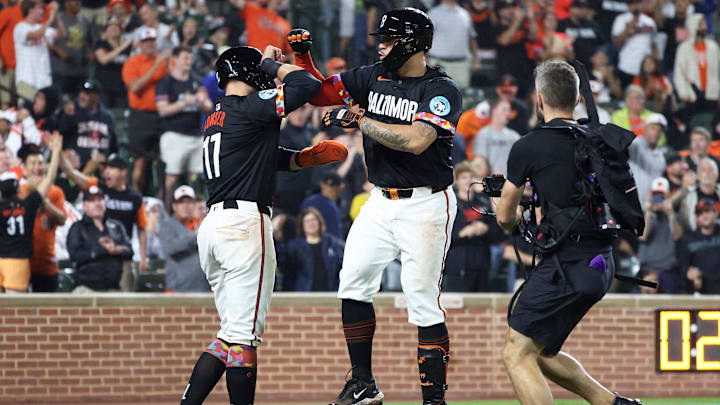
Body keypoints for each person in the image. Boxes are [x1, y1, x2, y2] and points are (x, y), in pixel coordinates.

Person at [290, 8, 462, 404]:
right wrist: (301, 61)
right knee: (351, 282)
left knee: (422, 299)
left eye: (388, 39)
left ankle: (434, 400)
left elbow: (419, 139)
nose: (380, 45)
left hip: (426, 204)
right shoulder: (372, 75)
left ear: (412, 43)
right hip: (380, 199)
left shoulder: (440, 89)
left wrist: (359, 119)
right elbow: (319, 93)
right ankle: (363, 383)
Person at [181, 45, 346, 405]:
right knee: (243, 337)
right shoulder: (250, 107)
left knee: (229, 334)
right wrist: (273, 64)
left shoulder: (218, 115)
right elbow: (305, 86)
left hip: (214, 227)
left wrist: (301, 159)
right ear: (249, 72)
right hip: (244, 225)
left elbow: (261, 158)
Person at [495, 60, 641, 405]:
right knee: (540, 353)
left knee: (516, 353)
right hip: (602, 263)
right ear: (578, 101)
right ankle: (614, 403)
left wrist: (516, 216)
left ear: (539, 99)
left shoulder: (528, 146)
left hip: (568, 265)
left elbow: (504, 218)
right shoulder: (599, 139)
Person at [58, 154, 149, 289]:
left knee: (126, 300)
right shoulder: (100, 187)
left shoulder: (135, 197)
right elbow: (72, 174)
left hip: (121, 255)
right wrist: (58, 153)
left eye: (111, 168)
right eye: (105, 168)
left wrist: (143, 257)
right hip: (94, 255)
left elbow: (142, 227)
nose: (106, 171)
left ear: (123, 171)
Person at [0, 132, 61, 293]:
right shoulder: (27, 204)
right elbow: (49, 180)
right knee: (15, 311)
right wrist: (55, 153)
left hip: (1, 258)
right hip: (18, 262)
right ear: (18, 188)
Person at [155, 46, 212, 208]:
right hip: (173, 135)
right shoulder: (165, 82)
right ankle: (164, 214)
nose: (189, 61)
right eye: (185, 58)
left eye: (190, 58)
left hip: (195, 136)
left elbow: (208, 106)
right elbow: (163, 110)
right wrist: (183, 103)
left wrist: (201, 100)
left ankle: (194, 217)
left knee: (196, 180)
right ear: (175, 60)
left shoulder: (196, 81)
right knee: (170, 180)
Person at [121, 27, 169, 193]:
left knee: (165, 162)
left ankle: (161, 203)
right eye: (146, 41)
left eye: (152, 40)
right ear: (140, 44)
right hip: (140, 117)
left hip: (162, 116)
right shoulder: (132, 63)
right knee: (139, 161)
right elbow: (135, 86)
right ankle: (136, 197)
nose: (150, 44)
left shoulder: (164, 62)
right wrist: (156, 65)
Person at [18, 144, 67, 292]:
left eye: (40, 163)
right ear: (24, 169)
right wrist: (30, 194)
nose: (37, 167)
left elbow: (62, 219)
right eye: (32, 163)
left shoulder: (56, 192)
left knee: (48, 311)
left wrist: (41, 199)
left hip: (47, 264)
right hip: (21, 263)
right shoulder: (17, 192)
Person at [66, 185, 132, 292]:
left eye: (100, 199)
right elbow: (75, 256)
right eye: (92, 201)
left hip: (114, 287)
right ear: (85, 206)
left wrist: (116, 250)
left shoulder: (116, 226)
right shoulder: (77, 228)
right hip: (86, 288)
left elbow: (130, 250)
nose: (97, 204)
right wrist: (101, 250)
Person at [157, 185, 209, 293]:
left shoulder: (203, 225)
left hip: (203, 288)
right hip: (177, 289)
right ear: (174, 206)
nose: (185, 206)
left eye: (189, 202)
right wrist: (194, 235)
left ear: (194, 205)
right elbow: (170, 248)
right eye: (181, 202)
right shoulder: (167, 225)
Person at [58, 80, 118, 174]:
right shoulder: (72, 111)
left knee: (99, 159)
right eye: (81, 92)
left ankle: (83, 182)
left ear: (97, 96)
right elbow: (61, 134)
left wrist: (104, 156)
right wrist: (67, 117)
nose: (82, 96)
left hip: (97, 165)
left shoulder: (107, 117)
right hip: (75, 161)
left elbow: (112, 146)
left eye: (87, 93)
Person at [13, 0, 65, 103]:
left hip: (43, 80)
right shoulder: (20, 27)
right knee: (26, 111)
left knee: (42, 115)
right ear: (30, 9)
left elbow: (62, 34)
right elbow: (35, 35)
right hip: (26, 80)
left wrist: (56, 16)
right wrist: (50, 18)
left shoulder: (42, 28)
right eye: (40, 8)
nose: (42, 11)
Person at [282, 207, 345, 292]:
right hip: (304, 296)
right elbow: (289, 275)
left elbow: (340, 269)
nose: (311, 223)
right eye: (307, 221)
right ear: (302, 225)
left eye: (313, 220)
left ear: (319, 222)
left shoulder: (333, 243)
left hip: (330, 295)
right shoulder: (294, 246)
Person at [638, 177, 683, 292]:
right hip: (647, 271)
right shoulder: (643, 215)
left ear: (667, 197)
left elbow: (677, 236)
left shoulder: (674, 216)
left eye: (661, 196)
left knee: (669, 307)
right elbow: (642, 236)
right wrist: (648, 211)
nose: (658, 199)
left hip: (667, 271)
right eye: (655, 195)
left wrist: (670, 214)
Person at [426, 0, 480, 89]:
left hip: (462, 65)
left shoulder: (465, 14)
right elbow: (425, 38)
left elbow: (471, 38)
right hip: (438, 64)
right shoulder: (434, 13)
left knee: (462, 97)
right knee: (437, 95)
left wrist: (476, 59)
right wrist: (425, 61)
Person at [674, 13, 720, 115]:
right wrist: (683, 93)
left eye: (704, 23)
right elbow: (679, 73)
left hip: (712, 93)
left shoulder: (713, 46)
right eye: (700, 24)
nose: (704, 26)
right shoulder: (684, 48)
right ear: (692, 25)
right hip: (692, 94)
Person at [610, 0, 657, 88]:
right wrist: (628, 28)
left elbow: (654, 44)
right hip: (626, 65)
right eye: (632, 4)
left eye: (637, 3)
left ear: (641, 4)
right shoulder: (621, 19)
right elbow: (616, 42)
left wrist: (655, 62)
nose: (635, 6)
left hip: (645, 68)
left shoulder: (650, 21)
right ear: (628, 5)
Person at [48, 0, 91, 96]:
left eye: (80, 1)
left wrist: (91, 54)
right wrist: (59, 51)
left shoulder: (84, 21)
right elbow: (45, 42)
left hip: (80, 71)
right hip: (61, 71)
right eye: (75, 1)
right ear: (66, 3)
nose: (78, 3)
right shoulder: (57, 20)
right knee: (60, 101)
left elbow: (91, 41)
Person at [679, 199, 720, 294]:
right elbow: (683, 266)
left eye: (707, 211)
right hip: (701, 293)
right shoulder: (689, 240)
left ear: (715, 213)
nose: (704, 215)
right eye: (700, 213)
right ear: (697, 218)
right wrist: (689, 273)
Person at [472, 98, 521, 177]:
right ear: (494, 110)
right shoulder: (483, 134)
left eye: (509, 110)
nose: (507, 113)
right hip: (490, 183)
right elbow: (479, 161)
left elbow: (520, 161)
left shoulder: (515, 136)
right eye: (504, 109)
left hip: (510, 183)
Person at [628, 113, 667, 209]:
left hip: (648, 209)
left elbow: (657, 183)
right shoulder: (635, 145)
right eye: (653, 128)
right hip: (630, 205)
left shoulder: (660, 156)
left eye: (659, 130)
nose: (656, 132)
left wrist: (657, 205)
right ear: (645, 128)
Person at [93, 16, 133, 108]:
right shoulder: (101, 43)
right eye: (110, 27)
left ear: (121, 31)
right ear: (105, 31)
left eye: (116, 27)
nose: (113, 29)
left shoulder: (128, 47)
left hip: (121, 88)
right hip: (103, 88)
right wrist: (122, 47)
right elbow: (103, 60)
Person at [558, 0, 605, 67]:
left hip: (590, 65)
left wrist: (599, 54)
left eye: (585, 9)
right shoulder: (562, 24)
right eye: (579, 8)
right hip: (569, 63)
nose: (583, 11)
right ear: (571, 9)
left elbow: (602, 44)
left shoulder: (593, 25)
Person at [299, 172, 343, 239]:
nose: (330, 189)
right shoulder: (311, 202)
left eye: (333, 187)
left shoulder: (310, 200)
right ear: (322, 185)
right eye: (327, 186)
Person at [0, 0, 23, 109]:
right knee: (6, 101)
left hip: (22, 67)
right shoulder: (8, 12)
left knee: (19, 102)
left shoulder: (31, 14)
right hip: (6, 64)